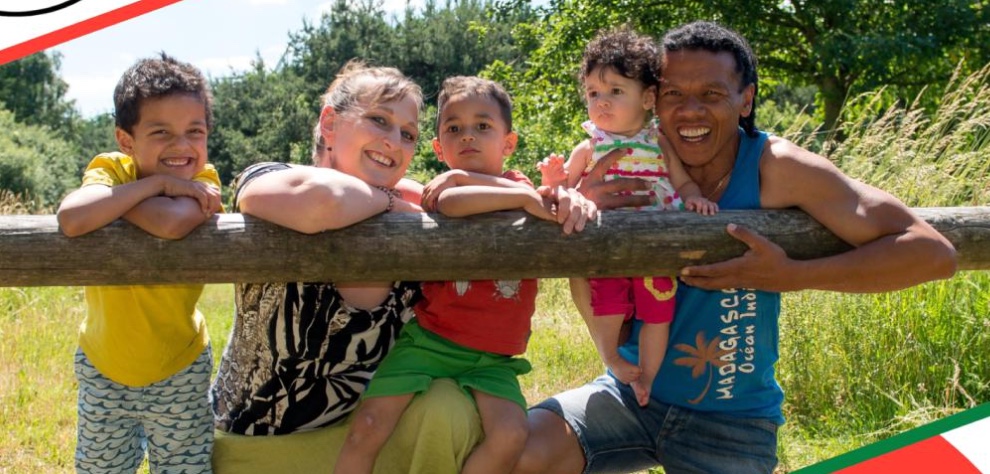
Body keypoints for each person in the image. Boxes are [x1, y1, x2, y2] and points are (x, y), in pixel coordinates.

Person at [512, 21, 957, 474]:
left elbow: (932, 252)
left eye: (711, 94)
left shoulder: (774, 166)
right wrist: (581, 213)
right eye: (674, 94)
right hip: (628, 394)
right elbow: (579, 273)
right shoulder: (618, 161)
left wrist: (792, 276)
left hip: (731, 422)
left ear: (746, 99)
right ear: (652, 98)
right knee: (515, 455)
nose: (690, 111)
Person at [209, 63, 591, 474]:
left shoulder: (415, 200)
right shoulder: (275, 176)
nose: (393, 141)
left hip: (366, 435)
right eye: (379, 120)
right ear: (330, 123)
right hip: (259, 445)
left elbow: (488, 198)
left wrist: (563, 197)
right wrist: (392, 202)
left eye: (407, 134)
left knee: (448, 407)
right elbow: (324, 201)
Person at [334, 75, 597, 474]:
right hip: (429, 340)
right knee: (368, 425)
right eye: (454, 128)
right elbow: (453, 204)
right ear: (439, 148)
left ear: (508, 143)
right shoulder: (451, 189)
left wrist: (528, 192)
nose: (468, 135)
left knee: (511, 436)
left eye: (483, 126)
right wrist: (519, 198)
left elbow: (525, 195)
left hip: (493, 356)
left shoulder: (517, 183)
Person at [56, 53, 223, 473]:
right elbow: (73, 217)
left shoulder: (204, 179)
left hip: (179, 366)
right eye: (161, 132)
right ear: (126, 140)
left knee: (183, 469)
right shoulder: (112, 167)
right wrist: (159, 185)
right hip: (104, 365)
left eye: (194, 131)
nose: (181, 146)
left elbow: (170, 224)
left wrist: (114, 205)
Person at [538, 26, 717, 408]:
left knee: (658, 314)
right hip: (607, 247)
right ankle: (612, 358)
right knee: (609, 306)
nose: (601, 102)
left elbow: (683, 181)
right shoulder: (590, 147)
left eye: (615, 91)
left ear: (648, 98)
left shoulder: (659, 142)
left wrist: (695, 199)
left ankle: (646, 377)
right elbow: (564, 192)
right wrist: (554, 182)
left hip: (655, 248)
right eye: (593, 93)